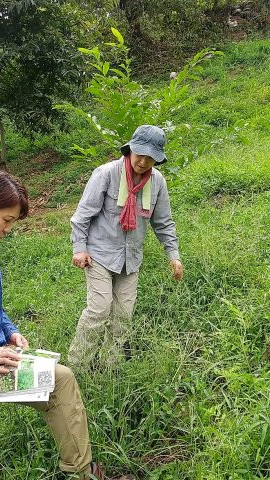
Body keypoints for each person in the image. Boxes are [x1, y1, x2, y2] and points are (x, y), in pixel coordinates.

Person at [0, 171, 133, 480]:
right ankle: (81, 474)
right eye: (6, 220)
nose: (7, 229)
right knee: (60, 381)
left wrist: (8, 330)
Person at [68, 125, 184, 369]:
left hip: (131, 259)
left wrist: (173, 255)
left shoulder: (157, 182)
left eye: (150, 157)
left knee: (123, 316)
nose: (143, 161)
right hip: (99, 255)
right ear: (130, 149)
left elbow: (163, 222)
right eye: (139, 154)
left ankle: (110, 367)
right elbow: (82, 216)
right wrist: (80, 248)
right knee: (99, 310)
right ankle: (77, 365)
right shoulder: (107, 173)